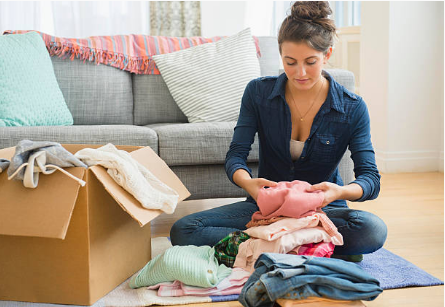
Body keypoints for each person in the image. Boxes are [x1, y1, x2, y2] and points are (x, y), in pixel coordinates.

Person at [170, 1, 387, 261]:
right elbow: (236, 155)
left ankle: (271, 244)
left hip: (322, 211)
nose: (300, 73)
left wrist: (338, 192)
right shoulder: (258, 93)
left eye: (311, 61)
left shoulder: (352, 107)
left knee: (372, 230)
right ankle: (309, 245)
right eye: (290, 62)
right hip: (267, 209)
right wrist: (248, 184)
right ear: (280, 54)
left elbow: (370, 179)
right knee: (183, 230)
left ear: (327, 55)